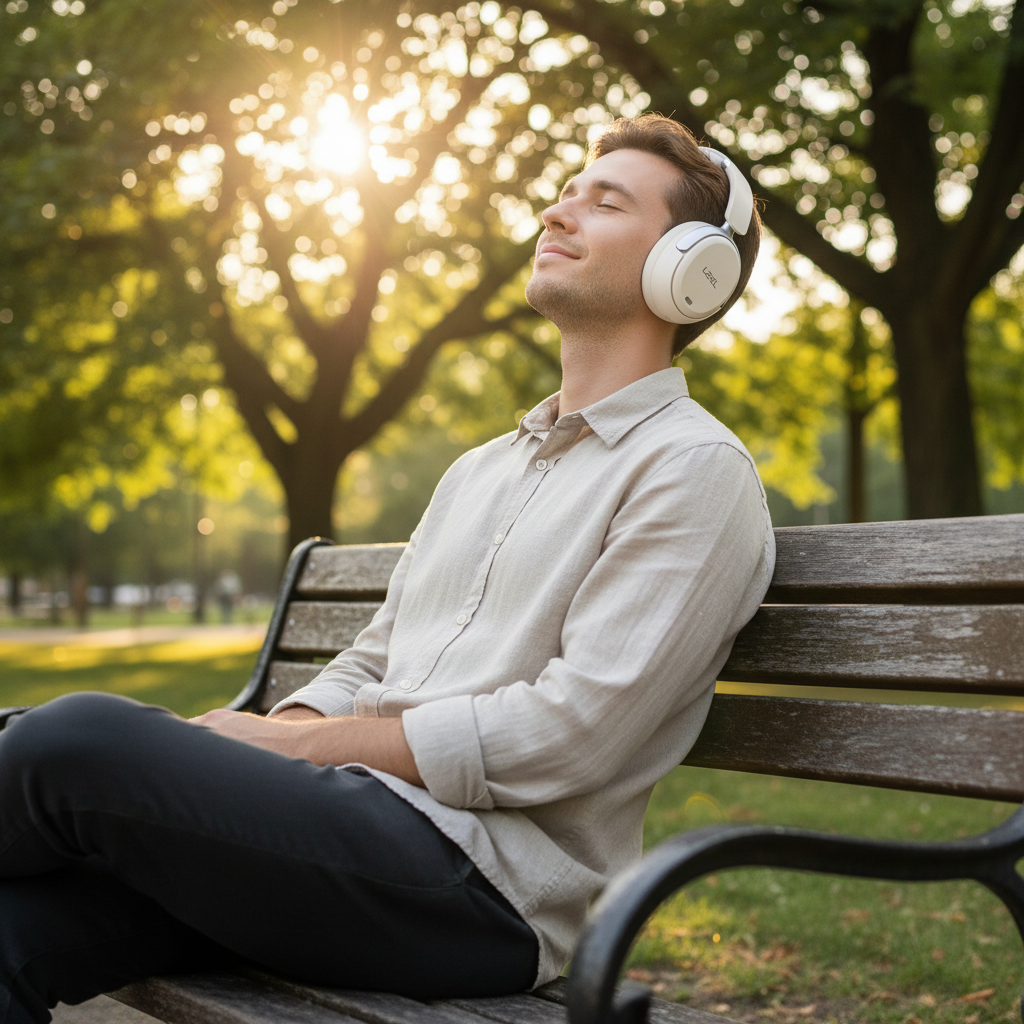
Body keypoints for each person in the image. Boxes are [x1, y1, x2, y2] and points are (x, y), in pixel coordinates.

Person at [0, 113, 774, 1024]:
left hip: (481, 892)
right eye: (566, 194)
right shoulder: (480, 469)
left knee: (77, 743)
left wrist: (308, 747)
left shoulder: (692, 472)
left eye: (604, 203)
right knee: (14, 922)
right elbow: (372, 661)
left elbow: (574, 731)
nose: (559, 214)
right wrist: (270, 742)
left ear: (691, 269)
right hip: (348, 838)